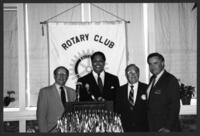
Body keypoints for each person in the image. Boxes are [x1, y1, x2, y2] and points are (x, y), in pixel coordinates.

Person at [147, 52, 181, 132]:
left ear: (162, 63)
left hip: (165, 127)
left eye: (155, 63)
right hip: (153, 125)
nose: (152, 67)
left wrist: (168, 127)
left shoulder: (171, 80)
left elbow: (175, 106)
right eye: (150, 64)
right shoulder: (152, 79)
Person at [36, 66, 76, 132]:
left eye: (64, 74)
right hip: (51, 130)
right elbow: (41, 116)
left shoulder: (72, 92)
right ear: (54, 76)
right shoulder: (45, 92)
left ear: (67, 77)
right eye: (59, 74)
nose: (61, 76)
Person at [115, 64, 149, 132]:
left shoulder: (147, 88)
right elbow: (117, 110)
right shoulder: (119, 90)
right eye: (129, 72)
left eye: (134, 72)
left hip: (143, 129)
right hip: (125, 129)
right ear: (126, 75)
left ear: (138, 73)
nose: (132, 74)